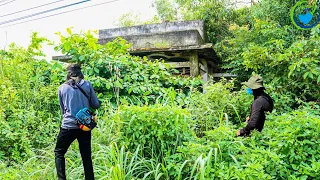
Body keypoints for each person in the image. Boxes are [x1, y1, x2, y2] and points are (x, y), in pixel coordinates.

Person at [54, 64, 100, 180]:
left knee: (59, 152)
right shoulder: (87, 85)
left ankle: (61, 178)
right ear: (80, 73)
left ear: (68, 73)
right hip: (84, 126)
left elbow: (63, 110)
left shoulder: (62, 88)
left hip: (68, 126)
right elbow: (96, 105)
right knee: (86, 156)